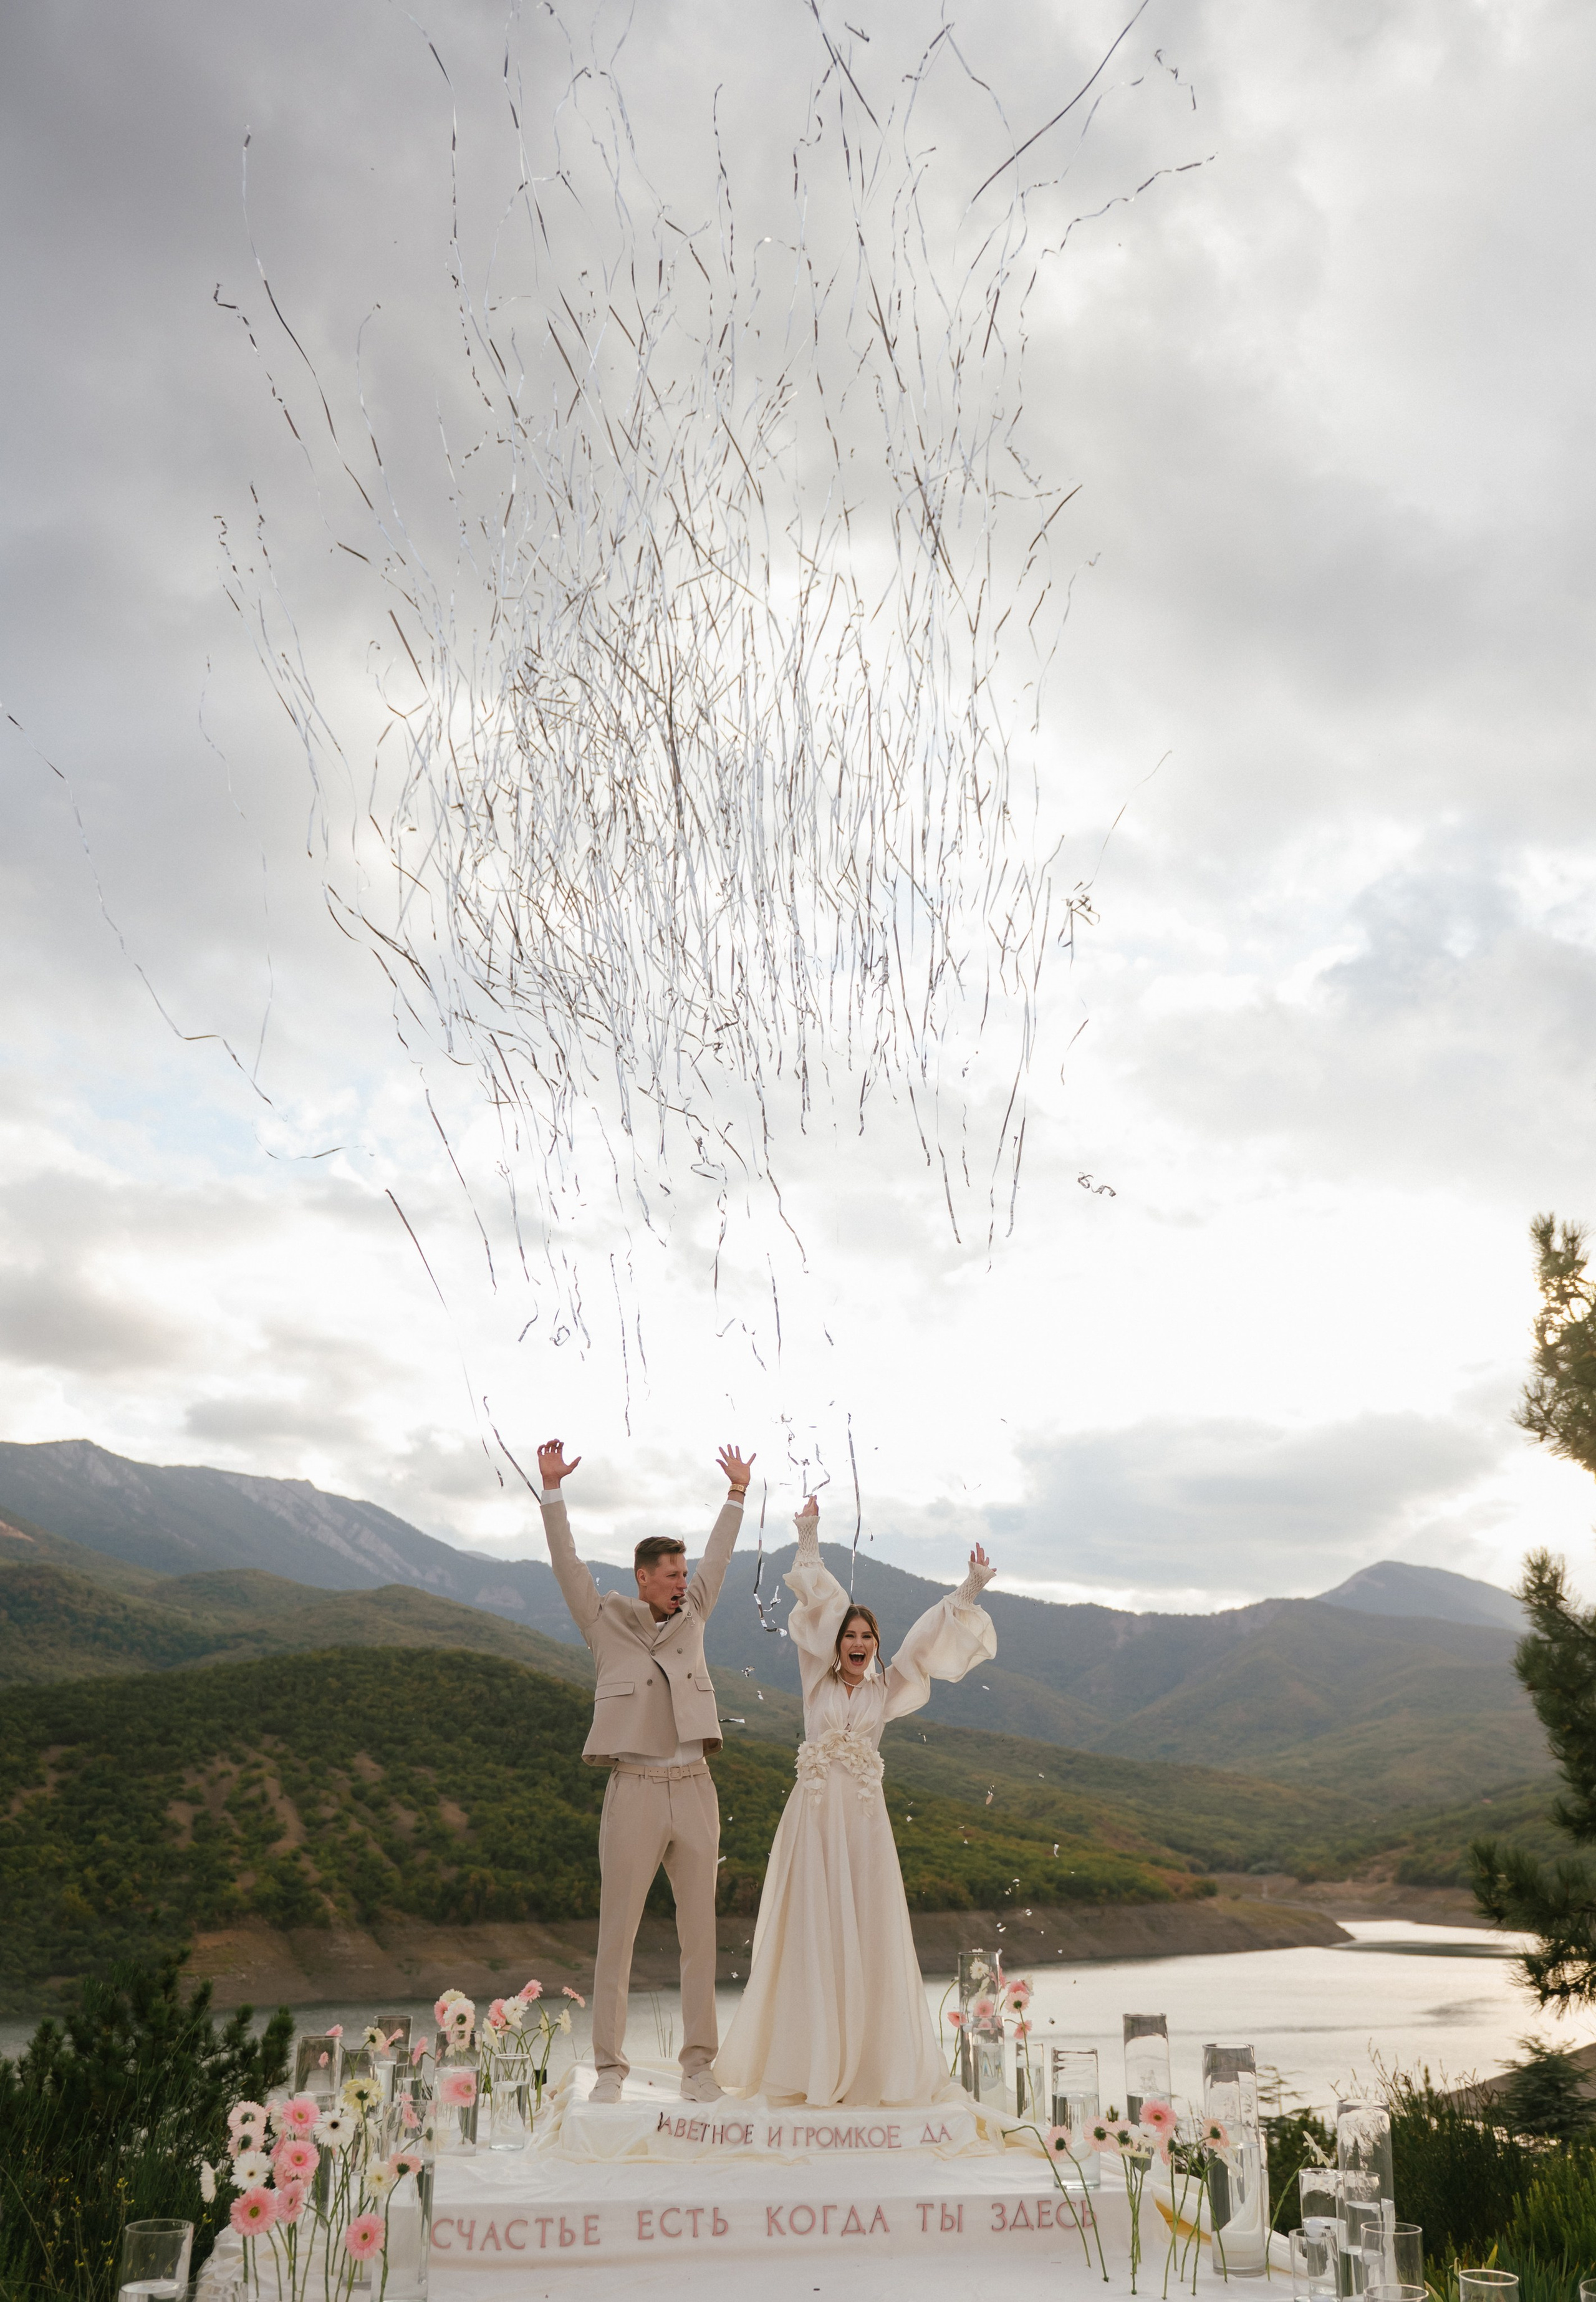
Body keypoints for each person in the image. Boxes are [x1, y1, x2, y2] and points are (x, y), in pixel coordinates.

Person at [713, 1495, 998, 2107]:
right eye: (851, 1634)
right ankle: (806, 2059)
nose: (859, 1641)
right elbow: (818, 1604)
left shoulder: (887, 1688)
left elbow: (925, 1640)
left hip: (863, 1828)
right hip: (814, 1821)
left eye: (867, 1635)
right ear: (836, 1643)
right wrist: (809, 1536)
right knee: (809, 1931)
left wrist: (969, 1588)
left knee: (866, 1931)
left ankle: (871, 2063)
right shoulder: (814, 1679)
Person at [535, 1435, 754, 2104]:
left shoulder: (695, 1614)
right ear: (642, 1578)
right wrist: (552, 1490)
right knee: (617, 1935)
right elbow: (566, 1564)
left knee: (699, 1935)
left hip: (694, 1788)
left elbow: (719, 1556)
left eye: (684, 1574)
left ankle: (698, 2066)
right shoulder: (604, 1622)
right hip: (632, 1788)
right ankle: (608, 2070)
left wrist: (737, 1493)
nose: (682, 1582)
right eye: (671, 1574)